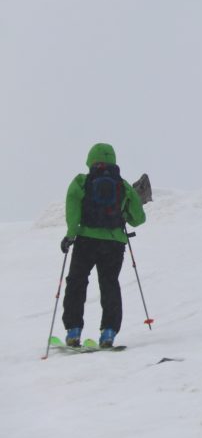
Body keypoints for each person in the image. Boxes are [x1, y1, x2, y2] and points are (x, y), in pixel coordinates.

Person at [60, 143, 146, 348]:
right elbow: (139, 219)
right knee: (109, 284)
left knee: (77, 282)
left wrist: (70, 234)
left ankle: (73, 330)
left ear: (90, 159)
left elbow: (73, 208)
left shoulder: (81, 182)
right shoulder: (123, 186)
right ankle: (108, 332)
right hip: (114, 243)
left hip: (86, 241)